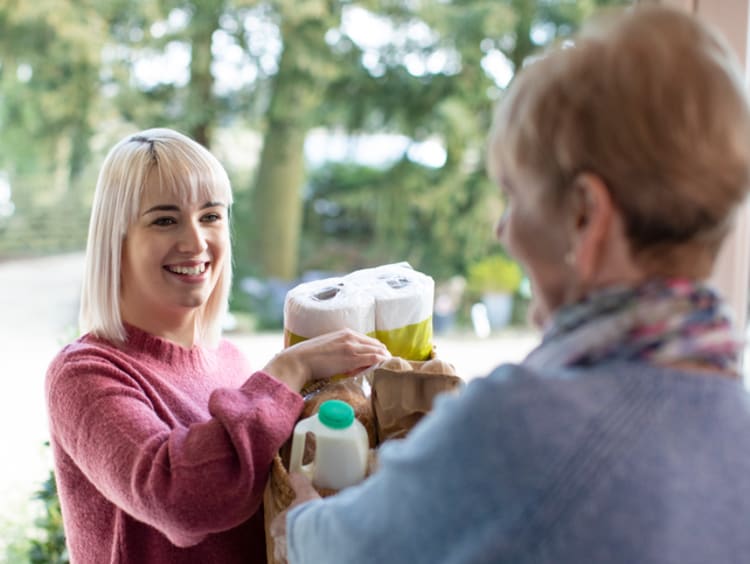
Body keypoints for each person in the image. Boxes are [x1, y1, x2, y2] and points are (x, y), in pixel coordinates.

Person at [274, 5, 750, 563]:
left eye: (515, 197)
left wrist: (301, 520)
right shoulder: (734, 430)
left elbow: (350, 547)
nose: (504, 231)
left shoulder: (519, 424)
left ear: (584, 218)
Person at [45, 127, 389, 564]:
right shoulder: (84, 374)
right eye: (164, 220)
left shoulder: (229, 362)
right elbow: (182, 500)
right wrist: (287, 372)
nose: (195, 242)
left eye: (210, 216)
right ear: (118, 238)